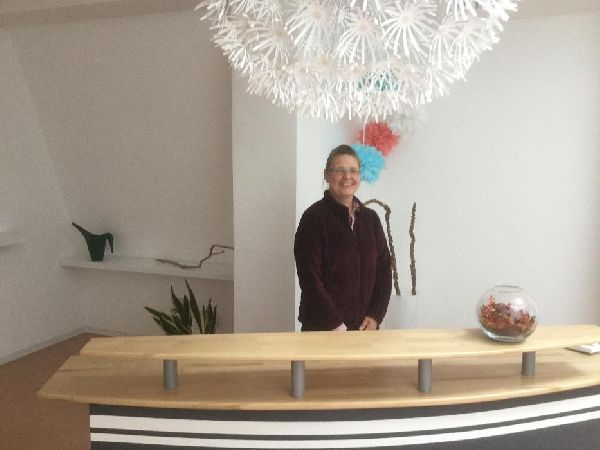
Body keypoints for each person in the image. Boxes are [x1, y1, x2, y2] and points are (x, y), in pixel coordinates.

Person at [294, 144, 392, 331]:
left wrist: (375, 315)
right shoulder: (313, 218)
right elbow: (309, 277)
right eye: (339, 170)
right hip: (323, 329)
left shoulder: (371, 219)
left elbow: (384, 270)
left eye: (353, 170)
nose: (347, 176)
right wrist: (335, 324)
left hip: (365, 329)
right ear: (326, 175)